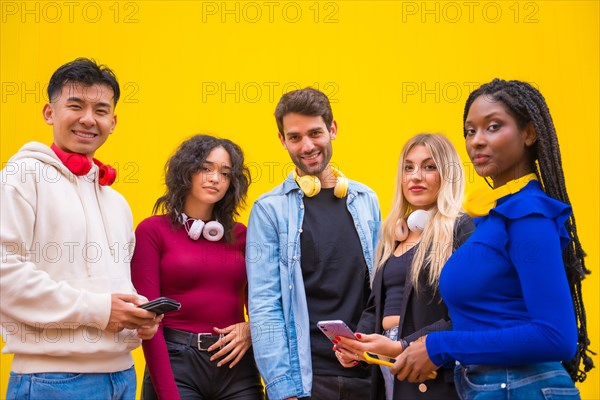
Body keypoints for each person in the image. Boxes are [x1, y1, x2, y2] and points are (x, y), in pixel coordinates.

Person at [391, 79, 594, 399]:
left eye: (493, 126)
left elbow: (556, 337)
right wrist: (407, 345)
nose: (477, 142)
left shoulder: (527, 215)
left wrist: (441, 345)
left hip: (521, 387)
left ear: (529, 133)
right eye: (470, 131)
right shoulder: (493, 218)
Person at [0, 58, 160, 400]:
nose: (89, 119)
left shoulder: (116, 200)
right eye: (76, 106)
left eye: (101, 110)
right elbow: (5, 273)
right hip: (53, 380)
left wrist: (138, 315)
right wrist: (101, 310)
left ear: (113, 122)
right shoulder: (22, 177)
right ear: (49, 112)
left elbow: (113, 287)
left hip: (121, 375)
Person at [246, 87, 381, 400]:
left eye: (315, 133)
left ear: (333, 129)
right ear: (282, 140)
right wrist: (283, 389)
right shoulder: (269, 210)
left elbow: (379, 291)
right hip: (306, 380)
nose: (307, 146)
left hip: (368, 374)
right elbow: (265, 305)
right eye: (294, 137)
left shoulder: (366, 201)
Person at [334, 133, 475, 399]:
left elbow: (466, 315)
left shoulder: (462, 228)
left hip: (430, 365)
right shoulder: (393, 234)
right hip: (388, 366)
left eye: (429, 167)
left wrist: (402, 345)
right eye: (408, 167)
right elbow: (376, 306)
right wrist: (358, 342)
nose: (416, 176)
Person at [131, 134, 264, 400]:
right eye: (206, 168)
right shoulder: (152, 231)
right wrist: (168, 393)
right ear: (186, 171)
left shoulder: (243, 235)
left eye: (225, 173)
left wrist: (251, 329)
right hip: (176, 362)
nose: (215, 178)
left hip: (237, 366)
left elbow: (263, 304)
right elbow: (148, 322)